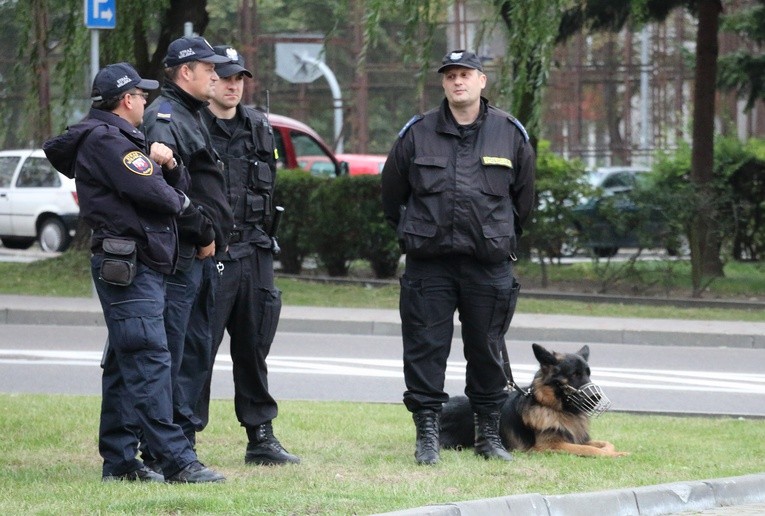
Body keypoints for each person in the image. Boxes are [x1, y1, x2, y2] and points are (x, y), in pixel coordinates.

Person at [43, 62, 225, 483]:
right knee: (148, 358)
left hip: (135, 262)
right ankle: (177, 460)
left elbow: (162, 188)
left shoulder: (120, 140)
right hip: (129, 265)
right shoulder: (110, 141)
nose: (146, 101)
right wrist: (196, 217)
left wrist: (170, 163)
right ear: (127, 100)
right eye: (142, 95)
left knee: (128, 363)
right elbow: (162, 197)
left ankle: (121, 462)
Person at [380, 50, 536, 465]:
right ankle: (427, 434)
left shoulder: (509, 133)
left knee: (486, 350)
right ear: (443, 84)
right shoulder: (418, 132)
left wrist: (497, 237)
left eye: (465, 74)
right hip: (429, 264)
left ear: (482, 80)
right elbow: (392, 194)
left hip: (488, 264)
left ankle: (488, 434)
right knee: (424, 349)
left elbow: (523, 201)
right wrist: (416, 232)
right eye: (450, 76)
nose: (457, 82)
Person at [197, 45, 300, 465]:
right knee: (198, 349)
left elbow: (268, 187)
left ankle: (261, 437)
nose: (233, 85)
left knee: (254, 347)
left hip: (254, 251)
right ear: (208, 81)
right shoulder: (191, 126)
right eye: (224, 77)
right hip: (208, 253)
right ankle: (182, 438)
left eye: (239, 78)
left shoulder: (259, 126)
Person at [141, 36, 234, 456]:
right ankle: (165, 448)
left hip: (198, 255)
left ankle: (182, 440)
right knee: (173, 351)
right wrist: (203, 233)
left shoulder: (190, 113)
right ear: (185, 72)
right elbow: (163, 190)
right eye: (208, 67)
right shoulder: (165, 117)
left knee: (194, 348)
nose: (216, 74)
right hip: (182, 256)